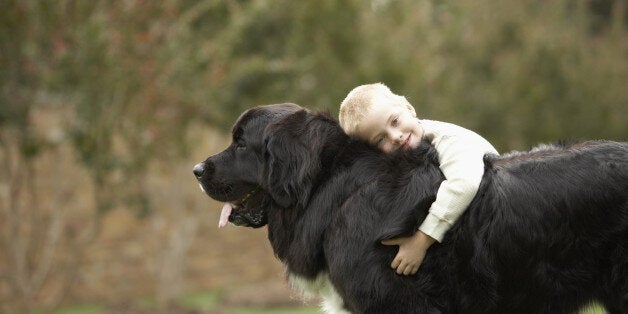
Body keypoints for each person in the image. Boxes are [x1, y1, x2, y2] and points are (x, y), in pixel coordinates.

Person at [338, 83, 499, 275]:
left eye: (395, 121)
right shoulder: (411, 152)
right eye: (380, 139)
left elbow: (464, 185)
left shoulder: (446, 140)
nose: (395, 136)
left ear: (409, 108)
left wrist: (422, 240)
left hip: (498, 215)